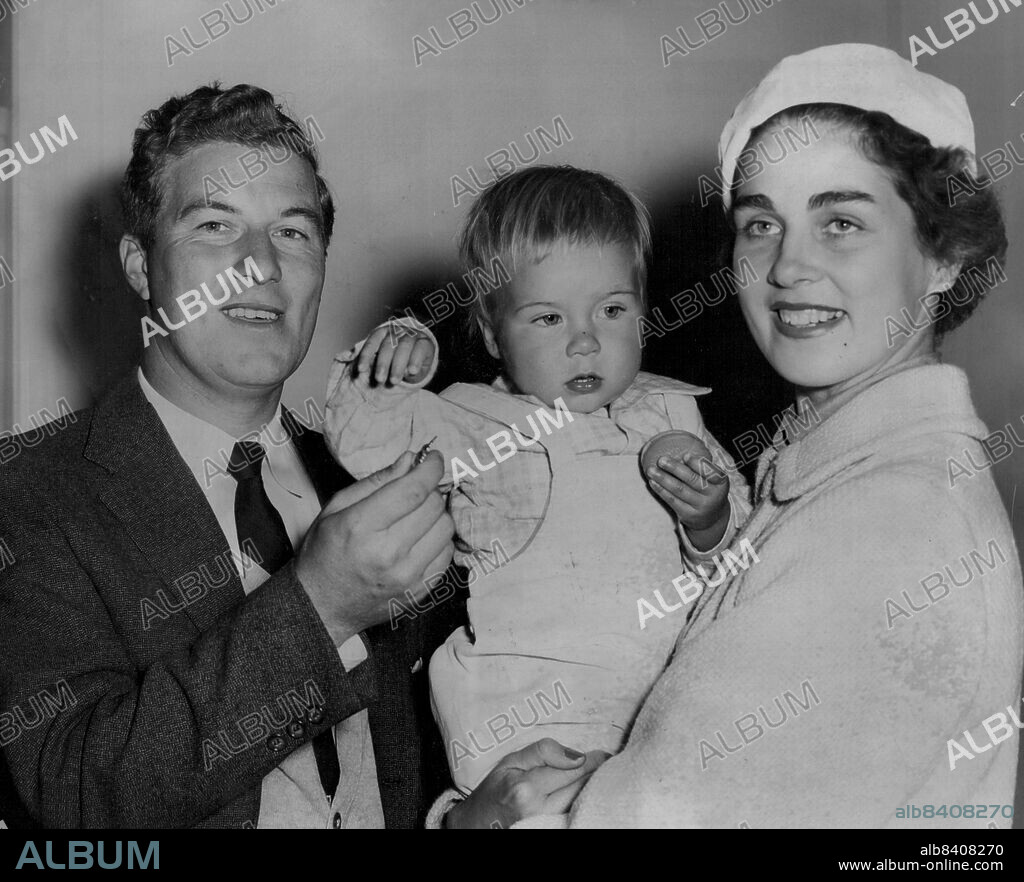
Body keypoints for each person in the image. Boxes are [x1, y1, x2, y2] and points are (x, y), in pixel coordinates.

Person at [456, 43, 1024, 829]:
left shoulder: (888, 522)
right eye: (762, 223)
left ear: (944, 255)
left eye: (841, 222)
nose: (787, 266)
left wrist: (471, 825)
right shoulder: (829, 476)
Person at [0, 83, 463, 828]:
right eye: (215, 225)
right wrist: (322, 604)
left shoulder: (381, 469)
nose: (260, 265)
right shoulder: (27, 492)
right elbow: (75, 792)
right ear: (142, 265)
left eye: (292, 232)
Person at [325, 166, 751, 796]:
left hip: (669, 724)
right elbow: (363, 439)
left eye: (611, 309)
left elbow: (747, 563)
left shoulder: (672, 411)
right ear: (494, 335)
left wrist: (709, 520)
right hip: (533, 733)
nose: (585, 342)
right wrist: (394, 359)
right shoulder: (473, 422)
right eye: (549, 319)